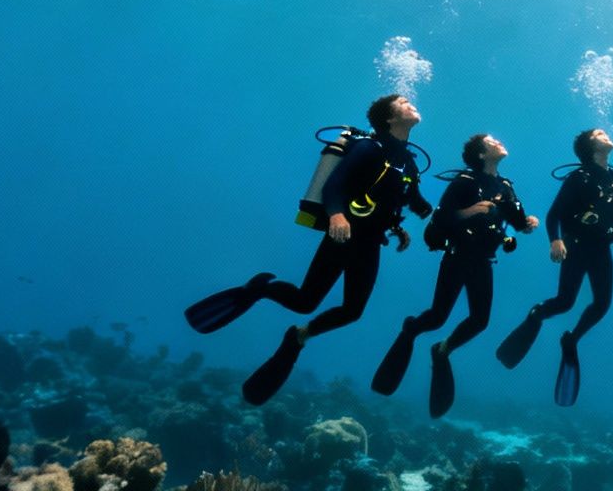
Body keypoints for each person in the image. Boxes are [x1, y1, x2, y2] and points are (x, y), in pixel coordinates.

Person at [182, 94, 432, 407]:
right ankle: (261, 289)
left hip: (369, 241)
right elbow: (334, 186)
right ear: (389, 118)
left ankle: (300, 335)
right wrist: (337, 215)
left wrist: (400, 225)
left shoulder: (406, 160)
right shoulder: (370, 147)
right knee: (305, 300)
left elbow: (403, 196)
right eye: (402, 102)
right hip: (343, 235)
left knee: (352, 311)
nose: (410, 103)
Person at [371, 132, 537, 418]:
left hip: (484, 260)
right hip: (457, 257)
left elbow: (518, 221)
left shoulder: (505, 186)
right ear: (482, 154)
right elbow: (441, 218)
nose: (499, 142)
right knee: (437, 317)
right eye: (492, 141)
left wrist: (527, 224)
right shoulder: (465, 182)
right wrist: (470, 210)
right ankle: (411, 329)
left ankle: (443, 349)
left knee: (480, 321)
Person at [494, 127, 613, 406]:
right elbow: (554, 214)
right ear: (591, 146)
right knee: (565, 302)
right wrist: (555, 241)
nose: (606, 134)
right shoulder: (579, 177)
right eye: (600, 133)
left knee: (602, 304)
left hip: (601, 247)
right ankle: (536, 315)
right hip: (575, 245)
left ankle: (571, 339)